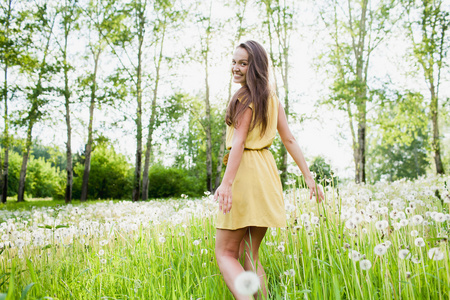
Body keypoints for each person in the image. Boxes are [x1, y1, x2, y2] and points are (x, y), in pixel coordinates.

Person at [214, 40, 325, 299]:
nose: (236, 68)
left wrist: (227, 183)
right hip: (266, 174)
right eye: (234, 61)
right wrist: (309, 177)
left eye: (243, 63)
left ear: (256, 67)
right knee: (249, 253)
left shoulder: (244, 96)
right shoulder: (270, 98)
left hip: (243, 173)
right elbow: (289, 139)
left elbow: (239, 142)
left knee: (225, 253)